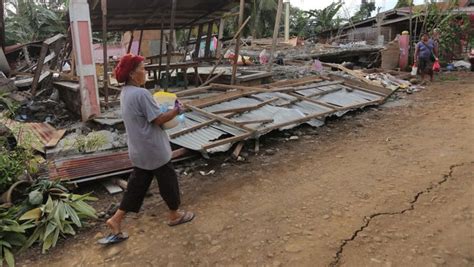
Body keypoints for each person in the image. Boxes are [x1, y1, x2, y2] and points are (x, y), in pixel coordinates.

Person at [100, 54, 195, 244]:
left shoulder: (126, 93)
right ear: (133, 74)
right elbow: (158, 119)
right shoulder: (142, 94)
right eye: (143, 68)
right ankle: (174, 214)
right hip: (154, 149)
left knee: (136, 187)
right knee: (168, 181)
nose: (146, 71)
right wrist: (177, 110)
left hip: (139, 150)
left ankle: (116, 219)